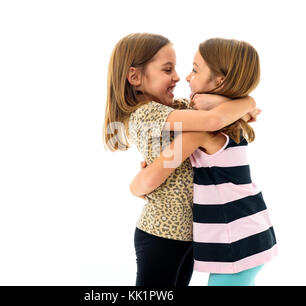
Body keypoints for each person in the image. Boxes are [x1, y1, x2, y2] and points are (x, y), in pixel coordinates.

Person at [103, 33, 257, 286]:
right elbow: (213, 120)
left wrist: (230, 104)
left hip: (189, 233)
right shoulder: (148, 114)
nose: (177, 77)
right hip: (161, 233)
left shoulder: (173, 111)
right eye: (167, 69)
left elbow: (212, 111)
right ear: (135, 77)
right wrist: (248, 101)